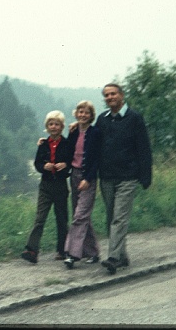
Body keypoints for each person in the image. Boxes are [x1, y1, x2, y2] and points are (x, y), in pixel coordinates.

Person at [95, 83, 153, 275]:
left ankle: (112, 258)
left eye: (113, 94)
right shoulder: (102, 119)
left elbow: (144, 148)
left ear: (121, 95)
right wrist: (77, 128)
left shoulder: (134, 118)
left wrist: (145, 176)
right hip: (107, 177)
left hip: (127, 177)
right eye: (106, 95)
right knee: (112, 217)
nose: (109, 97)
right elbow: (92, 143)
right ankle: (122, 256)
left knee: (119, 217)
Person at [21, 110, 74, 264]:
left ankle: (62, 250)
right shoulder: (43, 144)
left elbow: (72, 162)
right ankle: (32, 250)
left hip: (60, 186)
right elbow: (37, 164)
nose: (53, 127)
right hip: (45, 185)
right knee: (39, 218)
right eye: (51, 124)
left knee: (61, 218)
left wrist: (65, 165)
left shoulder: (66, 144)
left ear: (62, 126)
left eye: (57, 124)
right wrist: (44, 166)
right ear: (47, 126)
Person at [62, 100, 103, 269]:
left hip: (88, 179)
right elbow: (66, 150)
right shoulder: (73, 132)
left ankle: (72, 254)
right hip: (75, 176)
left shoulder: (96, 133)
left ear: (91, 115)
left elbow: (97, 159)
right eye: (80, 112)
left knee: (79, 216)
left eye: (86, 113)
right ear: (76, 114)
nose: (83, 115)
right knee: (81, 216)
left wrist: (88, 178)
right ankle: (93, 252)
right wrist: (45, 141)